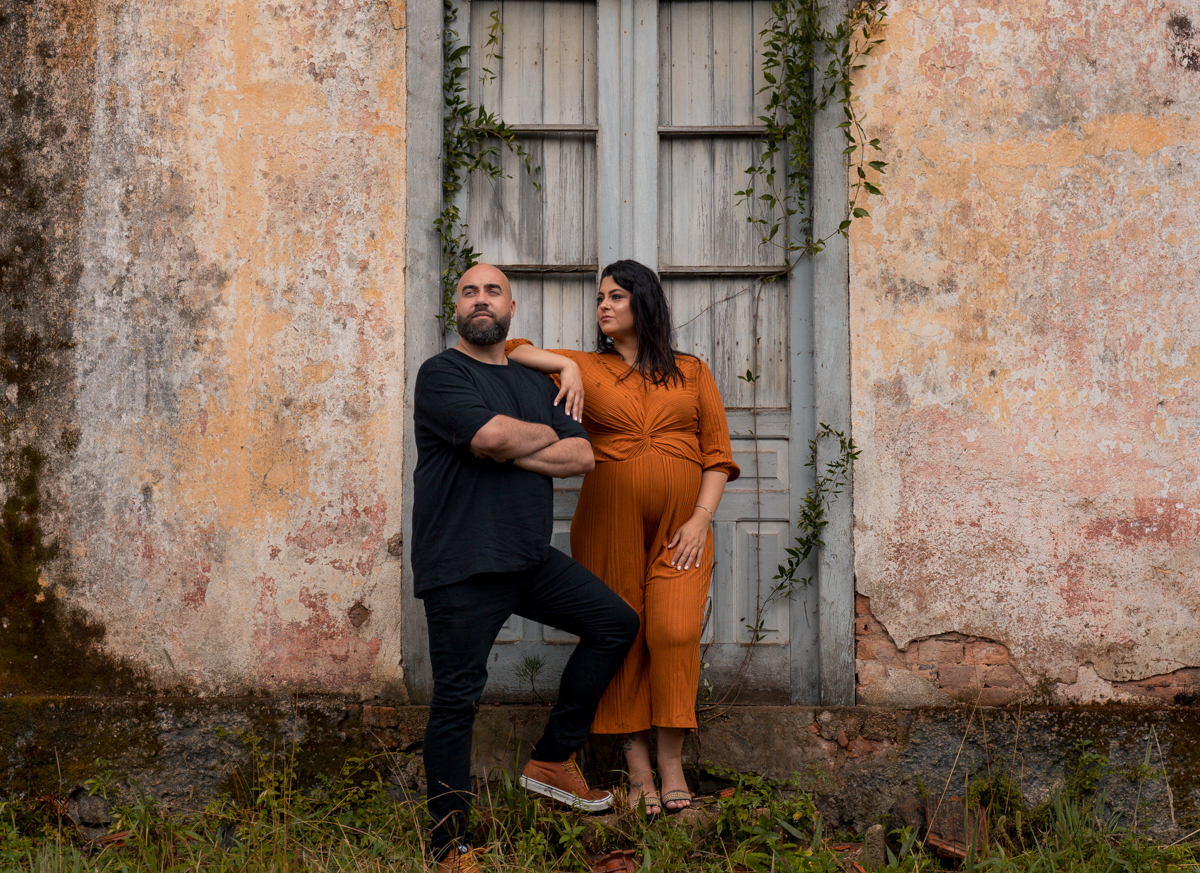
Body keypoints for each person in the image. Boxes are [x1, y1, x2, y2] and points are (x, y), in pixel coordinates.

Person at [412, 263, 640, 873]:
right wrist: (515, 440)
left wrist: (511, 445)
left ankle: (551, 759)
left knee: (615, 623)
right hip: (461, 564)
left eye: (493, 291)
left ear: (512, 309)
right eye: (469, 291)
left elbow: (582, 455)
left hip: (528, 557)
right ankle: (451, 846)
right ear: (456, 308)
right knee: (457, 700)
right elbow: (490, 436)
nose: (481, 300)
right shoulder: (441, 374)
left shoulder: (535, 381)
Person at [505, 259, 739, 816]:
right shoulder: (588, 367)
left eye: (615, 296)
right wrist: (567, 365)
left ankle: (671, 763)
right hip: (608, 523)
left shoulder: (692, 371)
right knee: (622, 634)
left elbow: (717, 455)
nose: (603, 306)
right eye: (599, 298)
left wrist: (699, 519)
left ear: (644, 302)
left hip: (681, 529)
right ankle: (638, 773)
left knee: (675, 631)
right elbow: (511, 350)